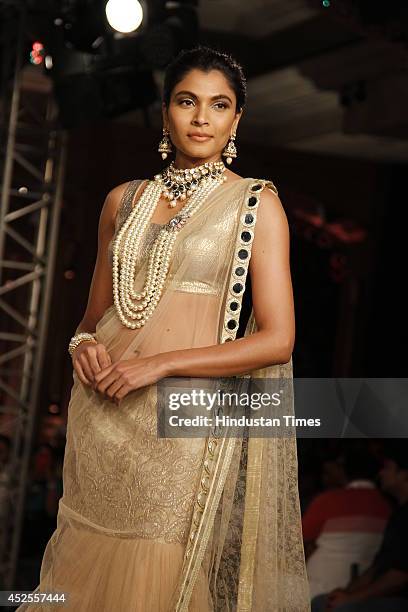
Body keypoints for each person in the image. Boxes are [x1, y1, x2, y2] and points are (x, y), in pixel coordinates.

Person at [17, 46, 310, 611]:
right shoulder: (122, 201)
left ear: (236, 119)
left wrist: (162, 363)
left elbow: (278, 339)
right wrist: (80, 346)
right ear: (165, 112)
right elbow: (90, 319)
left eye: (219, 105)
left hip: (183, 421)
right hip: (104, 412)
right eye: (187, 101)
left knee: (159, 567)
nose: (202, 118)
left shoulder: (255, 204)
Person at [311, 440, 408, 611]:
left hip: (396, 598)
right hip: (375, 590)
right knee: (323, 601)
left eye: (387, 468)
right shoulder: (393, 511)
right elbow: (378, 566)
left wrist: (352, 597)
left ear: (404, 474)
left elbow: (399, 576)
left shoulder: (330, 501)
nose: (381, 474)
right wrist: (347, 591)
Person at [303, 446, 391, 598]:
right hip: (362, 589)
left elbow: (296, 541)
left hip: (317, 585)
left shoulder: (329, 501)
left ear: (343, 470)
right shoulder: (388, 505)